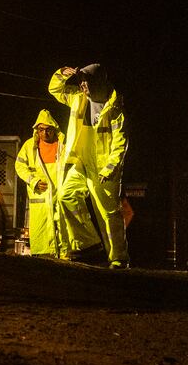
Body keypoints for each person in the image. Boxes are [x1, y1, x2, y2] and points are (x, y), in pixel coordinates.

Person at [49, 63, 129, 267]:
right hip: (79, 159)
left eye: (86, 81)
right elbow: (55, 89)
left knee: (109, 213)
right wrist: (61, 74)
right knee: (65, 195)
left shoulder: (115, 107)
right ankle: (89, 244)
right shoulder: (77, 97)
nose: (83, 85)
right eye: (81, 81)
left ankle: (118, 258)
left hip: (102, 167)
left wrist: (110, 168)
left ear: (98, 82)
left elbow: (121, 141)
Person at [15, 109, 79, 258]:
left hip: (61, 191)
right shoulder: (29, 146)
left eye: (48, 129)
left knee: (63, 223)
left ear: (54, 129)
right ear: (36, 130)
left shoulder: (64, 145)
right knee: (42, 225)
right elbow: (19, 166)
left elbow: (75, 164)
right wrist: (33, 181)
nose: (44, 133)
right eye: (41, 129)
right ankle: (45, 253)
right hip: (42, 195)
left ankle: (66, 252)